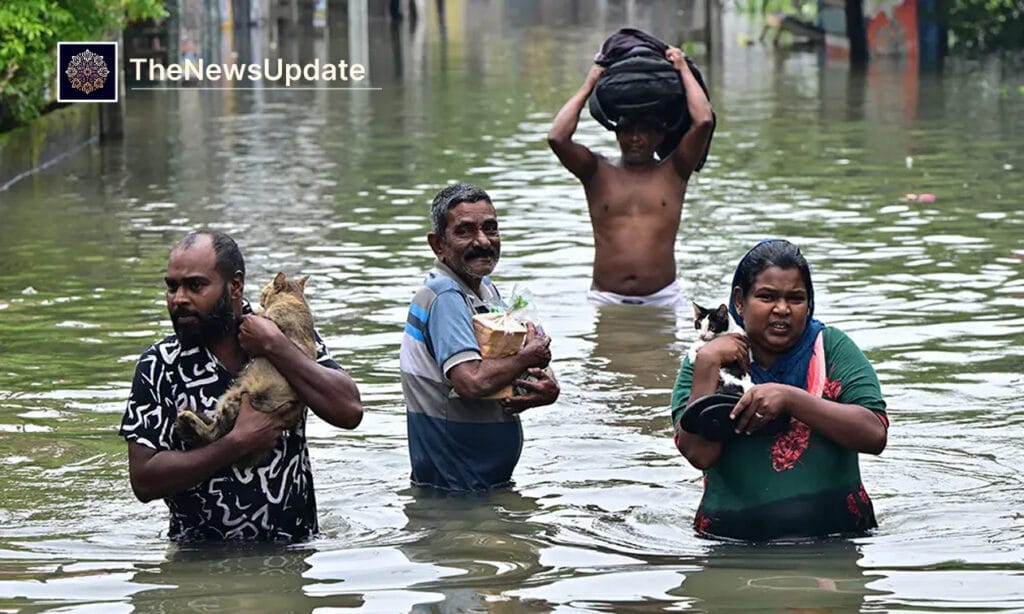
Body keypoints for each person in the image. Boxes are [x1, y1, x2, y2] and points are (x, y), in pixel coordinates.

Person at [119, 230, 363, 541]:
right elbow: (144, 481)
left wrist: (276, 347)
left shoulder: (284, 335)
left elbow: (350, 411)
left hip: (292, 556)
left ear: (235, 286)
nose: (179, 299)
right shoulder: (159, 365)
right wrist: (237, 443)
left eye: (195, 286)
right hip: (199, 563)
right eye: (172, 287)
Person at [670, 239, 888, 540]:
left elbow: (875, 434)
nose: (782, 309)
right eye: (767, 296)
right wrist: (707, 364)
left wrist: (790, 399)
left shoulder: (831, 349)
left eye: (796, 298)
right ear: (739, 301)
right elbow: (699, 455)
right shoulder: (705, 359)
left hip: (838, 544)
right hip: (731, 547)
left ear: (809, 303)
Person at [400, 183, 560, 492]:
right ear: (438, 245)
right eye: (465, 231)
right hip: (455, 486)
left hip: (481, 483)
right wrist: (530, 356)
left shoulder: (484, 289)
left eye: (491, 228)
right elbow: (471, 382)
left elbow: (503, 369)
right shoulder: (444, 295)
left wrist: (542, 388)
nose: (483, 241)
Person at [548, 45, 714, 307]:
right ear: (616, 134)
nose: (635, 138)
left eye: (645, 130)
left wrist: (682, 67)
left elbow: (703, 121)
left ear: (659, 135)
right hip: (606, 297)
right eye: (627, 130)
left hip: (663, 298)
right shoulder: (595, 171)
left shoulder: (675, 170)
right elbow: (557, 137)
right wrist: (590, 82)